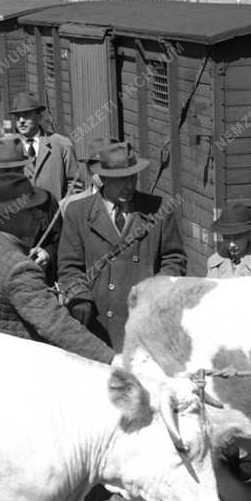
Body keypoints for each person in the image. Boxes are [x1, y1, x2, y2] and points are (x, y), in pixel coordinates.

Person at [0, 174, 115, 364]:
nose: (39, 216)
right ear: (6, 215)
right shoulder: (18, 268)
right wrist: (112, 360)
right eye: (30, 211)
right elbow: (56, 325)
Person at [58, 141, 187, 351]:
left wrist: (158, 294)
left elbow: (174, 259)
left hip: (147, 322)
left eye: (132, 177)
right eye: (120, 180)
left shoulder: (159, 209)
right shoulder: (77, 213)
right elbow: (69, 268)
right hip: (98, 325)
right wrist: (79, 297)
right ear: (102, 180)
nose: (128, 185)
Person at [205, 202, 251, 498]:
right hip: (224, 351)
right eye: (226, 238)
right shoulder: (214, 263)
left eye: (237, 237)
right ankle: (230, 469)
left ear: (250, 234)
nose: (231, 245)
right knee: (226, 412)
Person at [8, 91, 84, 203]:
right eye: (18, 116)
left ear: (39, 117)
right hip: (20, 216)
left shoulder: (61, 144)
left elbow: (75, 184)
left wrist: (63, 209)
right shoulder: (6, 147)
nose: (21, 121)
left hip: (53, 216)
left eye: (27, 115)